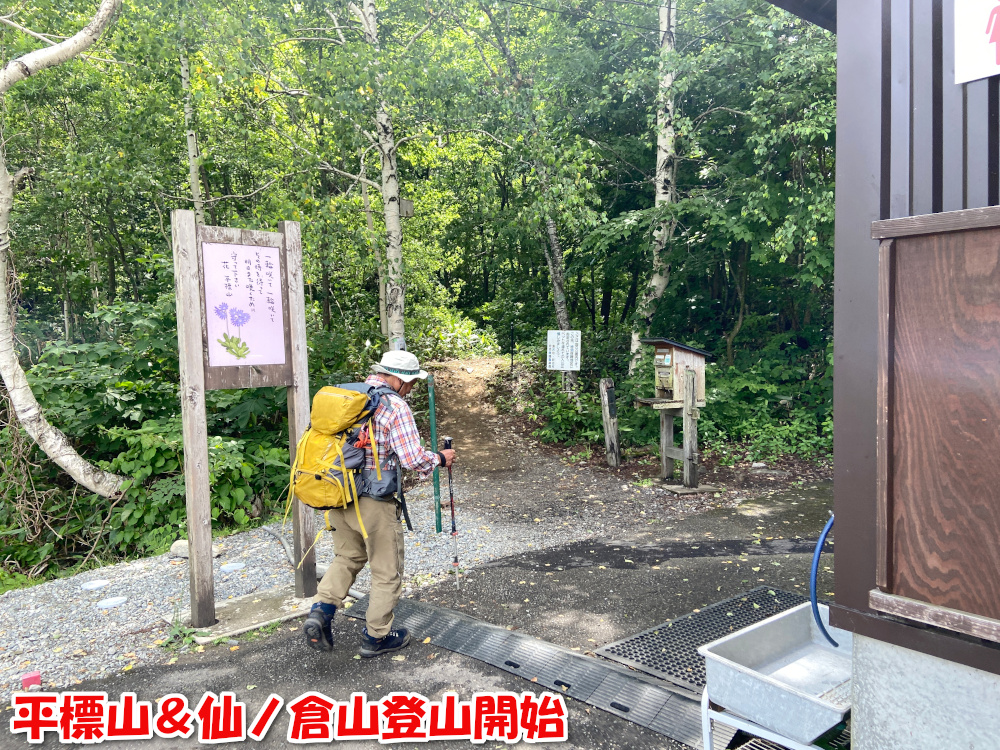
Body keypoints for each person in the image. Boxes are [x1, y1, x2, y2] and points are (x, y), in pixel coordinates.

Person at [303, 350, 456, 658]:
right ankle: (377, 637)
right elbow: (413, 459)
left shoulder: (347, 396)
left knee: (346, 558)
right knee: (386, 570)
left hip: (338, 494)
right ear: (398, 379)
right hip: (374, 502)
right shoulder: (394, 406)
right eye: (411, 383)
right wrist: (439, 458)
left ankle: (321, 612)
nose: (411, 390)